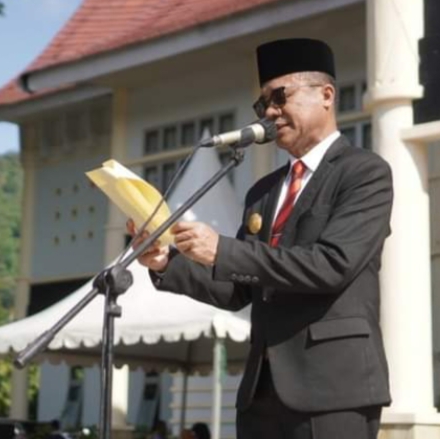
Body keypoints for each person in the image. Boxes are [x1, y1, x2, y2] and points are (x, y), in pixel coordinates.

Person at [130, 38, 393, 439]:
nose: (270, 112)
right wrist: (166, 261)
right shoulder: (264, 191)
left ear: (326, 95)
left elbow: (332, 265)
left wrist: (224, 250)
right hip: (262, 392)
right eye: (262, 104)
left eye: (279, 97)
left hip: (333, 386)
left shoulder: (364, 173)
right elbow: (237, 289)